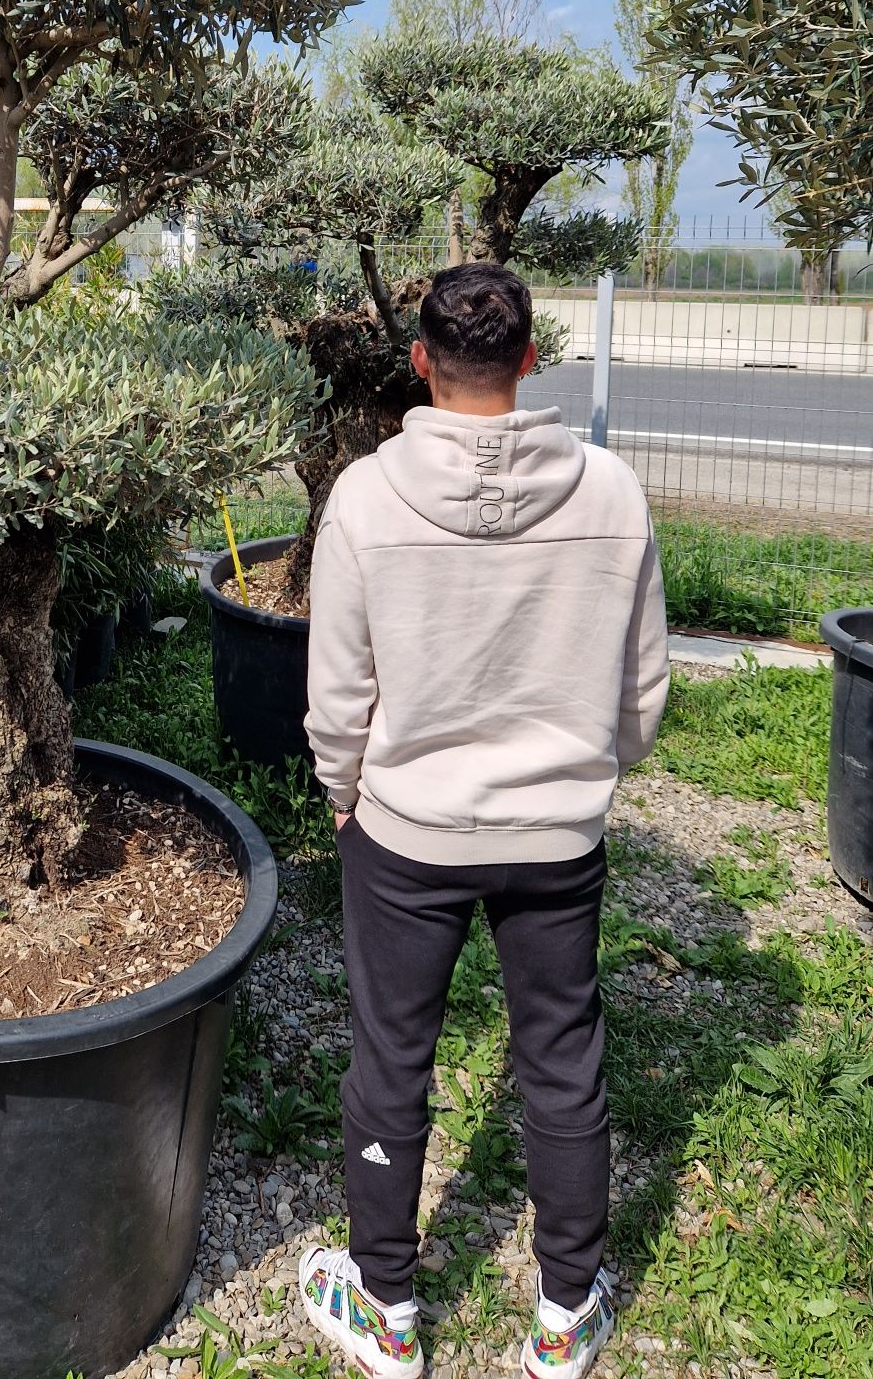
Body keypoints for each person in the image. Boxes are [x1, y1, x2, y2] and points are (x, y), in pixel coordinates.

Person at [296, 262, 669, 1379]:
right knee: (561, 1055)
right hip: (558, 835)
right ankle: (564, 1311)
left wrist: (342, 789)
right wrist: (593, 774)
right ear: (531, 358)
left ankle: (388, 1306)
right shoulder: (611, 490)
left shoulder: (363, 496)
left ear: (418, 362)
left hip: (406, 831)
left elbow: (338, 691)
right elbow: (640, 691)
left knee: (390, 1056)